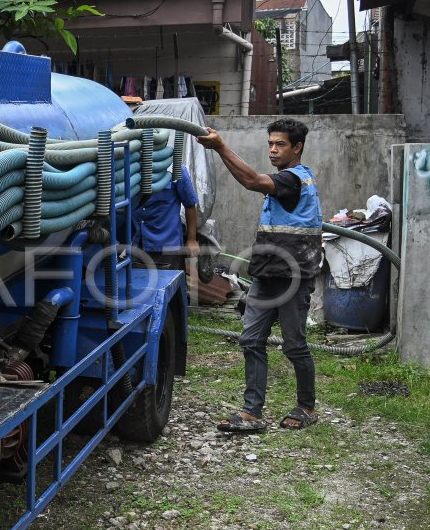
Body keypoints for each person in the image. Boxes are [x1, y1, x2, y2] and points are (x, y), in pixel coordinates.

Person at [196, 119, 322, 432]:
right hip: (268, 274)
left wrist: (221, 147)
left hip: (293, 279)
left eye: (280, 144)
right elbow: (251, 180)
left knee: (294, 345)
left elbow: (251, 181)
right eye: (270, 144)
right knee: (251, 339)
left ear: (298, 147)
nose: (273, 150)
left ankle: (306, 406)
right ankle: (252, 412)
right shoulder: (282, 181)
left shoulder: (293, 180)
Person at [133, 163, 199, 272]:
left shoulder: (176, 170)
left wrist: (191, 239)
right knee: (139, 283)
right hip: (138, 243)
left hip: (167, 246)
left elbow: (190, 204)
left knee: (169, 283)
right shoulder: (133, 168)